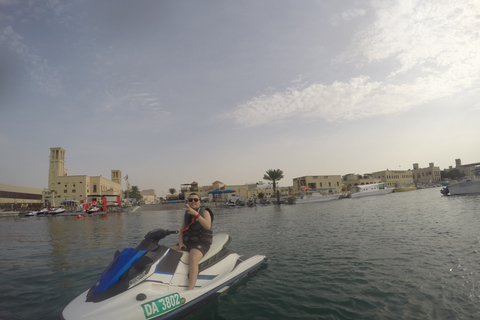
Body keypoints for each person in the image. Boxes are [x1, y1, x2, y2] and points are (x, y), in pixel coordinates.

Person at [173, 193, 213, 290]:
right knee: (168, 252)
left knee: (193, 258)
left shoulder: (205, 212)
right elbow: (181, 230)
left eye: (195, 199)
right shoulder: (186, 214)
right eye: (190, 200)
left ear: (199, 201)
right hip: (188, 242)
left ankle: (190, 288)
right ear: (188, 202)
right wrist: (181, 243)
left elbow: (208, 226)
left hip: (201, 242)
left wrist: (196, 214)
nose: (193, 202)